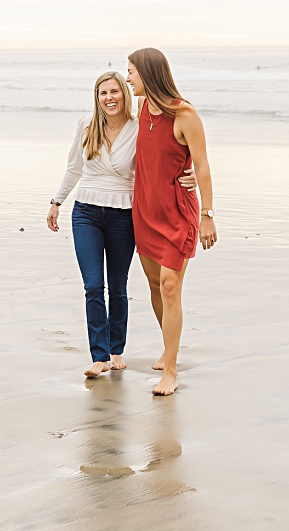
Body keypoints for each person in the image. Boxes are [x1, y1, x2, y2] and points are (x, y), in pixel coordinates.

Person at [48, 71, 196, 379]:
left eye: (115, 91)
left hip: (124, 214)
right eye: (103, 93)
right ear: (96, 97)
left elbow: (164, 155)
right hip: (86, 212)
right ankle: (99, 357)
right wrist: (57, 201)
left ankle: (116, 352)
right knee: (93, 286)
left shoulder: (138, 126)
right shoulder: (85, 125)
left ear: (124, 95)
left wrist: (189, 173)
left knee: (117, 287)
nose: (110, 97)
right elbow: (74, 167)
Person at [127, 48, 216, 396]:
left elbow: (203, 165)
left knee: (169, 286)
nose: (128, 77)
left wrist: (207, 215)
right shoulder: (142, 106)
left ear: (148, 73)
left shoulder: (185, 114)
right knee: (153, 283)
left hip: (178, 212)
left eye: (132, 71)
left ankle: (172, 371)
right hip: (145, 211)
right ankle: (168, 346)